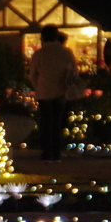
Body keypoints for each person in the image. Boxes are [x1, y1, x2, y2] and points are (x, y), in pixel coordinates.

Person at [29, 24, 78, 162]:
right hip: (62, 91)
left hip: (44, 91)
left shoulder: (39, 54)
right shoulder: (66, 52)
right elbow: (74, 71)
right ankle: (57, 153)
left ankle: (47, 153)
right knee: (57, 123)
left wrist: (37, 86)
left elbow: (33, 74)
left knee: (46, 122)